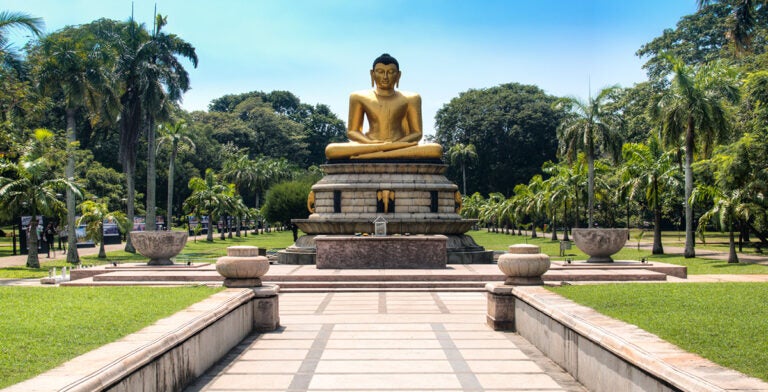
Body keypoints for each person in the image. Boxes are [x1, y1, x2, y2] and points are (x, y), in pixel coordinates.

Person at [325, 53, 443, 160]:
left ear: (398, 75)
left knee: (436, 149)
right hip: (369, 144)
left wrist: (394, 145)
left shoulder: (412, 98)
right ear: (372, 74)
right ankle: (381, 152)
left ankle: (371, 155)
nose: (385, 77)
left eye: (391, 72)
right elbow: (352, 131)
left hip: (399, 145)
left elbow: (417, 133)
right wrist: (373, 144)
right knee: (331, 150)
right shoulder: (358, 97)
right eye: (380, 71)